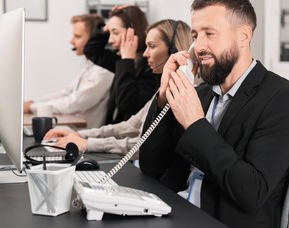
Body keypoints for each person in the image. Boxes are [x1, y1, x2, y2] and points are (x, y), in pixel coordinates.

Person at [138, 0, 289, 227]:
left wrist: (196, 123)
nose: (199, 47)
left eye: (210, 34)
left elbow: (251, 192)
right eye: (196, 36)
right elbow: (151, 167)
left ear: (243, 36)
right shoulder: (200, 94)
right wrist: (164, 99)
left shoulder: (285, 99)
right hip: (175, 208)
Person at [44, 19, 193, 157]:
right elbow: (129, 126)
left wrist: (88, 143)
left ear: (173, 51)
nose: (146, 53)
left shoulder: (184, 94)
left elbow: (143, 143)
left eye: (152, 46)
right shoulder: (162, 90)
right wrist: (80, 135)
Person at [23, 14, 114, 128]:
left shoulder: (103, 71)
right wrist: (32, 102)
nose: (72, 41)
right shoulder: (89, 65)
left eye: (77, 36)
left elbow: (73, 103)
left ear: (94, 39)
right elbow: (66, 92)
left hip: (85, 136)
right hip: (73, 130)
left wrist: (32, 107)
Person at [103, 5, 160, 125]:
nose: (110, 40)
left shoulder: (150, 66)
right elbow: (91, 49)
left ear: (132, 32)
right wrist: (107, 25)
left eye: (115, 32)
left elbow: (127, 104)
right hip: (111, 134)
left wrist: (127, 60)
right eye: (109, 33)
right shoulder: (121, 60)